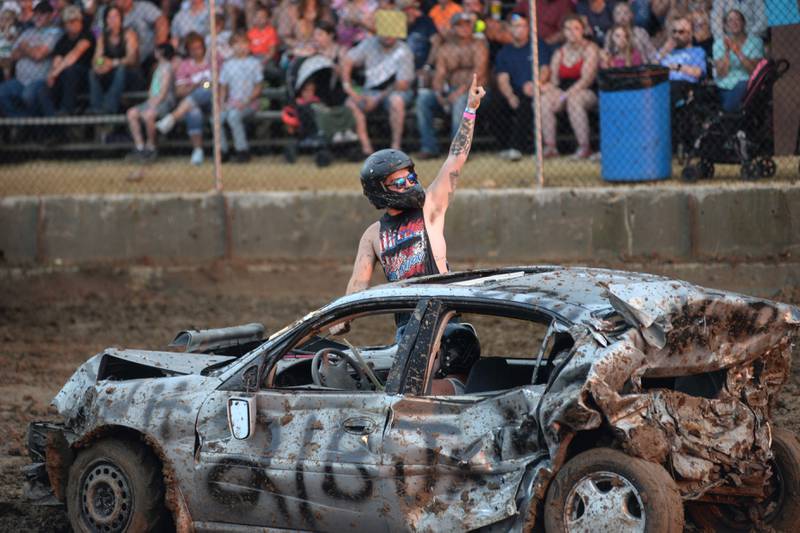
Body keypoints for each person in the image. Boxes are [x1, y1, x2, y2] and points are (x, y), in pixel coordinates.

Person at [342, 73, 485, 299]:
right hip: (407, 326)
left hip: (444, 317)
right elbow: (358, 283)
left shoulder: (430, 208)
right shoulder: (373, 235)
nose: (410, 184)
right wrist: (342, 318)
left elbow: (455, 158)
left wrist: (470, 109)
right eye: (399, 182)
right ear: (380, 190)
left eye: (411, 177)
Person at [341, 9, 415, 156]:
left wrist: (377, 98)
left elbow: (403, 84)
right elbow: (347, 60)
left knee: (396, 101)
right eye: (385, 31)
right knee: (350, 103)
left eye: (391, 31)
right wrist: (349, 89)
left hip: (395, 91)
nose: (387, 35)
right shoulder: (369, 43)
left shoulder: (404, 50)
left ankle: (396, 147)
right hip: (370, 91)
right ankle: (366, 148)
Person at [414, 12, 488, 159]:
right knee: (423, 100)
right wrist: (439, 93)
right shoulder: (445, 49)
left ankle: (459, 152)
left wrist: (460, 92)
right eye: (460, 25)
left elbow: (478, 73)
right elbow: (440, 74)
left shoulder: (479, 45)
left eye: (467, 24)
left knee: (461, 102)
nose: (464, 28)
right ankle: (429, 147)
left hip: (476, 92)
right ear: (453, 28)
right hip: (452, 90)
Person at [541, 14, 599, 160]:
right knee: (544, 100)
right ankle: (550, 147)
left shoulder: (590, 49)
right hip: (563, 90)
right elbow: (555, 81)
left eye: (576, 28)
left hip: (587, 91)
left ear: (582, 30)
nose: (572, 32)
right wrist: (549, 89)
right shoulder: (559, 53)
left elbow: (586, 80)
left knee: (574, 100)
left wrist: (564, 96)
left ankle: (584, 147)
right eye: (568, 29)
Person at [156, 32, 212, 165]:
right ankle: (198, 151)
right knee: (193, 112)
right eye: (193, 49)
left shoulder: (211, 62)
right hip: (191, 103)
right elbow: (179, 91)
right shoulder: (185, 65)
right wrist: (197, 85)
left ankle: (171, 118)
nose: (197, 51)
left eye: (199, 47)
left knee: (205, 90)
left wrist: (194, 84)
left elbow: (212, 84)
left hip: (211, 100)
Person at [0, 1, 61, 118]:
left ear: (50, 15)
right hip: (20, 81)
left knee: (28, 95)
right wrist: (32, 50)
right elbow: (13, 55)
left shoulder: (54, 32)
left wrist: (25, 47)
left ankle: (32, 127)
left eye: (42, 14)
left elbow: (39, 55)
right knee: (1, 93)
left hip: (39, 80)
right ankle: (22, 122)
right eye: (36, 14)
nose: (38, 17)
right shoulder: (27, 32)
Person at [489, 12, 535, 161]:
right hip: (513, 89)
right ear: (509, 29)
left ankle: (517, 148)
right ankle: (504, 146)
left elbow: (545, 70)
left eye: (522, 26)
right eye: (515, 26)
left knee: (525, 103)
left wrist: (536, 84)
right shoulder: (504, 52)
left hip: (532, 88)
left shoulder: (537, 46)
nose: (519, 30)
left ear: (528, 28)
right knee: (494, 103)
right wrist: (510, 96)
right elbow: (502, 78)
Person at [218, 31, 263, 162]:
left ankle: (242, 150)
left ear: (249, 46)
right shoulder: (227, 65)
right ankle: (222, 151)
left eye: (244, 43)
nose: (240, 46)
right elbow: (223, 87)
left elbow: (258, 87)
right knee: (217, 118)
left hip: (250, 102)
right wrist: (221, 104)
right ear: (231, 47)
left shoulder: (254, 63)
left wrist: (246, 101)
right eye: (236, 43)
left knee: (233, 116)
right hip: (232, 102)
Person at [125, 42, 175, 161]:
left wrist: (152, 105)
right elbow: (152, 90)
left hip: (164, 102)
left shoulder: (167, 67)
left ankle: (151, 147)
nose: (155, 52)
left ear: (162, 53)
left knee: (149, 115)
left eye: (158, 50)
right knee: (132, 113)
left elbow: (163, 92)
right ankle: (140, 146)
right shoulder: (158, 67)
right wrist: (150, 102)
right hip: (152, 101)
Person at [87, 4, 138, 114]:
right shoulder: (102, 37)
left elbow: (131, 59)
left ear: (121, 18)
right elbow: (97, 58)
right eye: (109, 17)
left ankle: (109, 108)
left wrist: (113, 63)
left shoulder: (129, 34)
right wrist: (100, 64)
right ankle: (96, 109)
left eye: (116, 16)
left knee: (121, 69)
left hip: (129, 73)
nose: (113, 20)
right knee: (93, 72)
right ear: (105, 20)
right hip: (109, 72)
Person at [45, 5, 95, 115]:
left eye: (75, 20)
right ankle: (52, 115)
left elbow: (74, 55)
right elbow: (57, 59)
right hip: (66, 76)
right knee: (48, 82)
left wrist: (55, 73)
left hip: (87, 74)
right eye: (69, 21)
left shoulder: (87, 35)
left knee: (70, 71)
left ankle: (67, 110)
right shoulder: (63, 40)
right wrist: (53, 73)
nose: (73, 24)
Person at [713, 9, 762, 112]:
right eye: (730, 20)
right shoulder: (718, 44)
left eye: (737, 20)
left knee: (741, 86)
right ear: (726, 26)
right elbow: (722, 73)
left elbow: (753, 70)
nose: (734, 23)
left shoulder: (755, 42)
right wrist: (727, 51)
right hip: (724, 85)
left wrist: (737, 52)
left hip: (746, 84)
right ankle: (729, 118)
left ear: (744, 23)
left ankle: (726, 117)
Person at [116, 0, 167, 71]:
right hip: (121, 60)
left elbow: (161, 21)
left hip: (149, 56)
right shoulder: (110, 13)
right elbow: (97, 30)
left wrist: (159, 47)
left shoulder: (143, 7)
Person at [0, 2, 20, 82]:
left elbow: (9, 37)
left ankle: (7, 84)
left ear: (12, 21)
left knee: (6, 74)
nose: (3, 21)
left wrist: (7, 27)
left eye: (7, 19)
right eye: (2, 19)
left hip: (7, 55)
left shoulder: (13, 29)